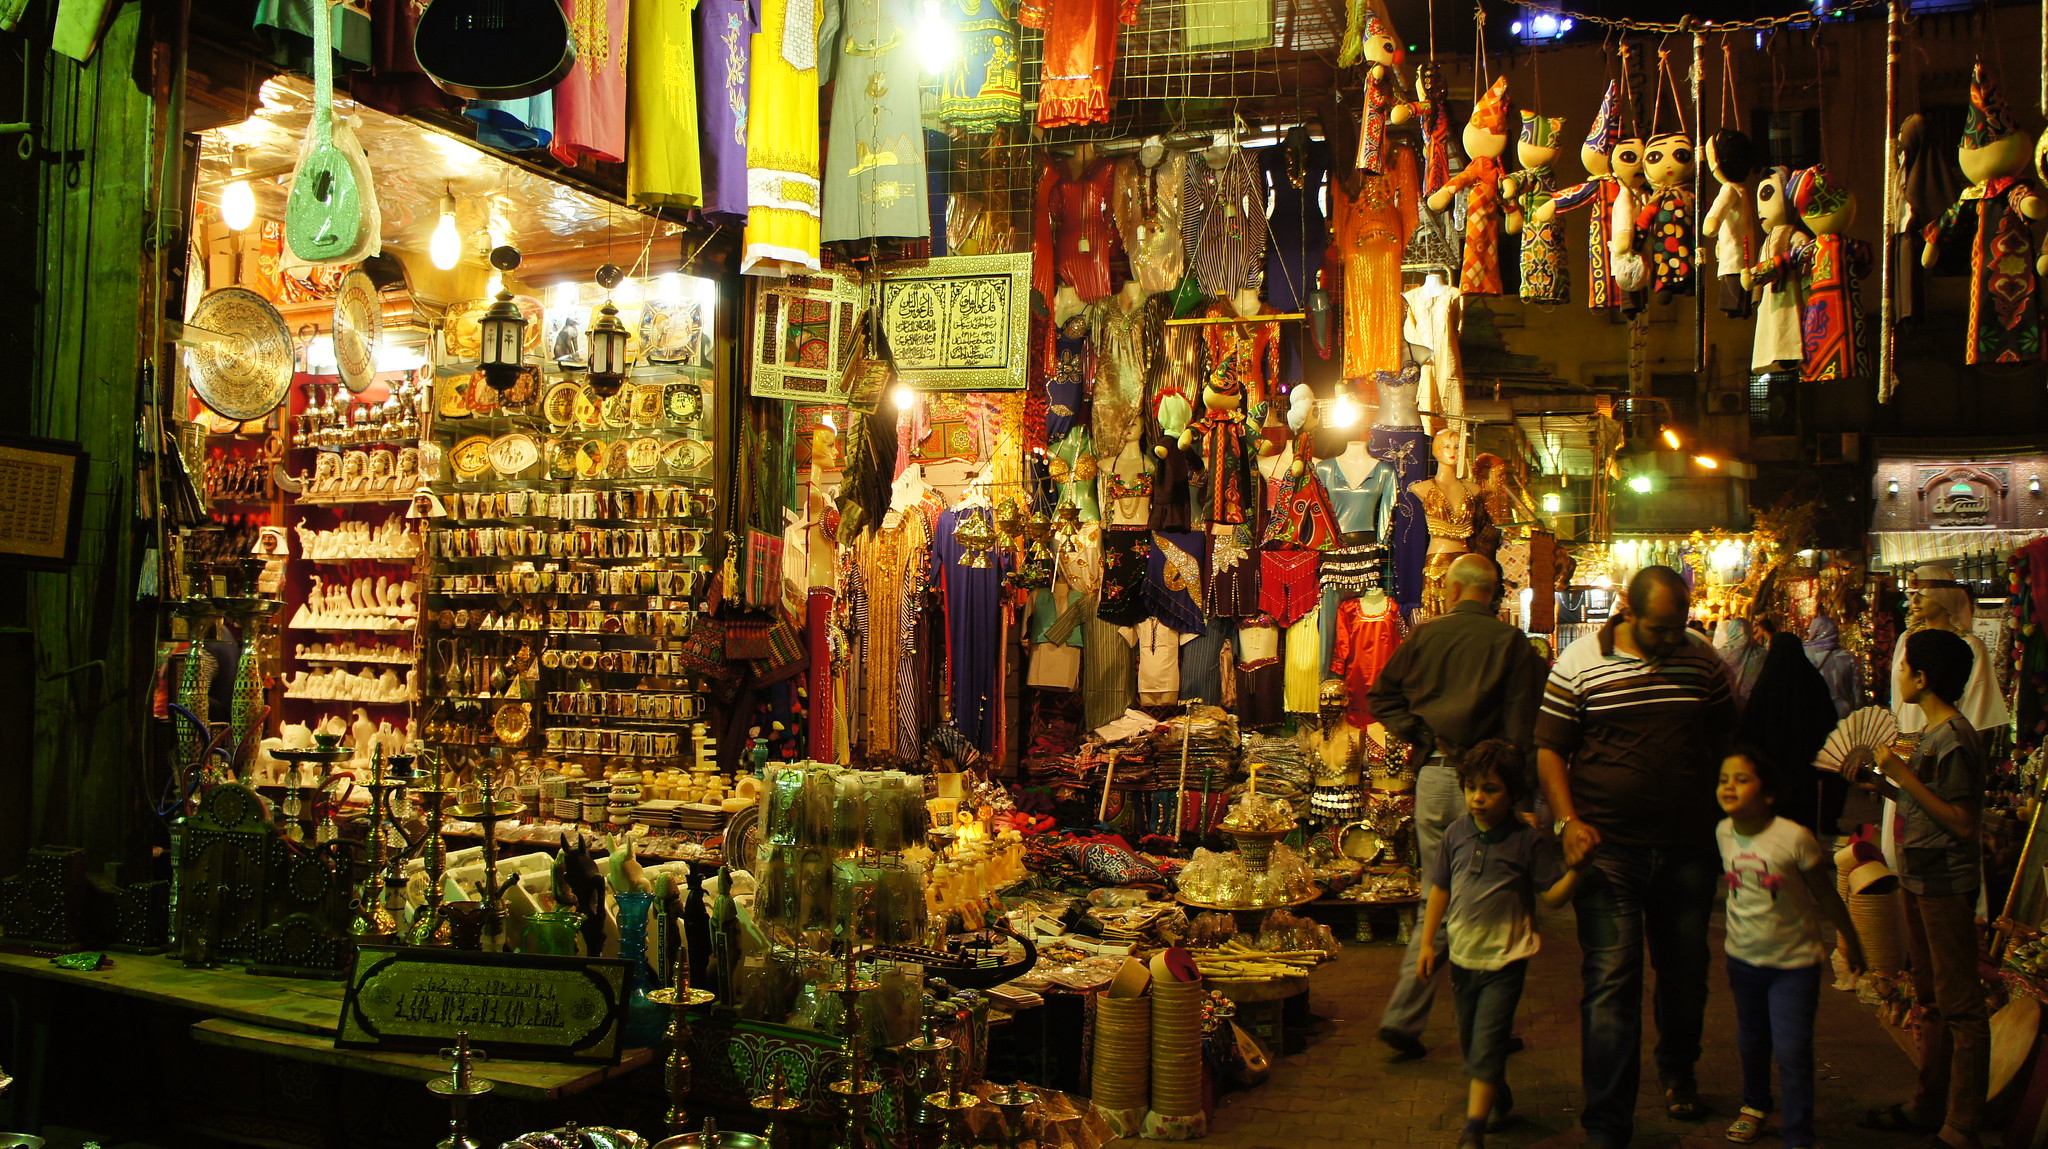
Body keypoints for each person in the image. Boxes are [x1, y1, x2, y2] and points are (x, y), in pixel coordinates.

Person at [1537, 565, 1738, 1147]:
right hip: (1609, 852)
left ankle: (1678, 1071)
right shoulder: (1579, 663)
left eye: (1678, 628)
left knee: (1686, 972)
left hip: (1687, 848)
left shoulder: (1702, 659)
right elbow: (1550, 749)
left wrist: (1728, 811)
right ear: (1627, 609)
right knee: (1610, 982)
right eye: (1659, 630)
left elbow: (1725, 737)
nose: (1670, 640)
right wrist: (1568, 821)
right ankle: (1607, 1120)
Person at [1368, 553, 1548, 1060]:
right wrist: (1523, 796)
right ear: (1493, 592)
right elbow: (1523, 727)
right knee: (1496, 899)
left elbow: (1382, 697)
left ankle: (1409, 1015)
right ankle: (1485, 1020)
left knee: (1438, 892)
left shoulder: (1426, 637)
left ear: (1451, 590)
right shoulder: (1510, 643)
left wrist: (1425, 735)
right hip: (1490, 788)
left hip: (1436, 778)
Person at [1853, 628, 1990, 1149]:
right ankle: (1928, 1105)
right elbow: (1928, 805)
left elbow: (1961, 822)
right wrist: (1882, 785)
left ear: (1923, 677)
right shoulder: (1934, 734)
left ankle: (1962, 1125)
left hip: (1944, 884)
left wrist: (1902, 777)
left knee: (1961, 1006)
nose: (1900, 674)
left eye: (1905, 666)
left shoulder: (1954, 737)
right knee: (1931, 999)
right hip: (1920, 877)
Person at [1417, 740, 1588, 1149]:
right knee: (1471, 1042)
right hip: (1463, 958)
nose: (1477, 797)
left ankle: (1473, 1129)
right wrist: (1426, 944)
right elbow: (1440, 888)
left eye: (1490, 789)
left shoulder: (1526, 840)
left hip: (1506, 959)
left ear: (1512, 793)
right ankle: (1497, 1091)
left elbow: (1551, 896)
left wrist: (1577, 872)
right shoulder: (1456, 834)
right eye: (1471, 787)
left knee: (1488, 1041)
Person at [1715, 749, 1865, 1149]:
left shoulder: (1794, 837)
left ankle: (1798, 1133)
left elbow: (1826, 895)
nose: (1729, 787)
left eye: (1742, 779)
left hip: (1794, 963)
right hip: (1743, 959)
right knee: (1751, 1038)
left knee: (1792, 1047)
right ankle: (1754, 1106)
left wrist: (1850, 939)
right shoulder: (1723, 832)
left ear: (1768, 794)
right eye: (1724, 779)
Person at [1739, 631, 1843, 832]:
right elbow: (1827, 722)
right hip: (1804, 768)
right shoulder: (1812, 681)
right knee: (1801, 823)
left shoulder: (1765, 683)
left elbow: (1751, 727)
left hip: (1771, 769)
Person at [1802, 615, 1861, 719]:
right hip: (1841, 715)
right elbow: (1857, 693)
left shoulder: (1803, 654)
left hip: (1811, 714)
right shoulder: (1848, 657)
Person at [1714, 615, 1769, 708]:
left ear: (1730, 631)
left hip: (1724, 704)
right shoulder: (1762, 654)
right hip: (1754, 705)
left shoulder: (1720, 654)